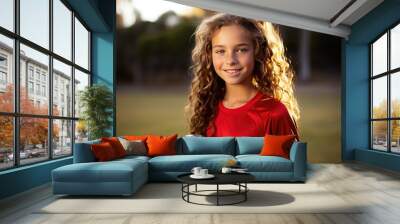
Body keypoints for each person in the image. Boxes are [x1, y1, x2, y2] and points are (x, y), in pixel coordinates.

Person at [185, 13, 300, 140]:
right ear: (209, 55)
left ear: (257, 52)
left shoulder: (275, 113)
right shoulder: (206, 109)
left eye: (241, 50)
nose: (230, 60)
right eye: (220, 51)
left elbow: (291, 159)